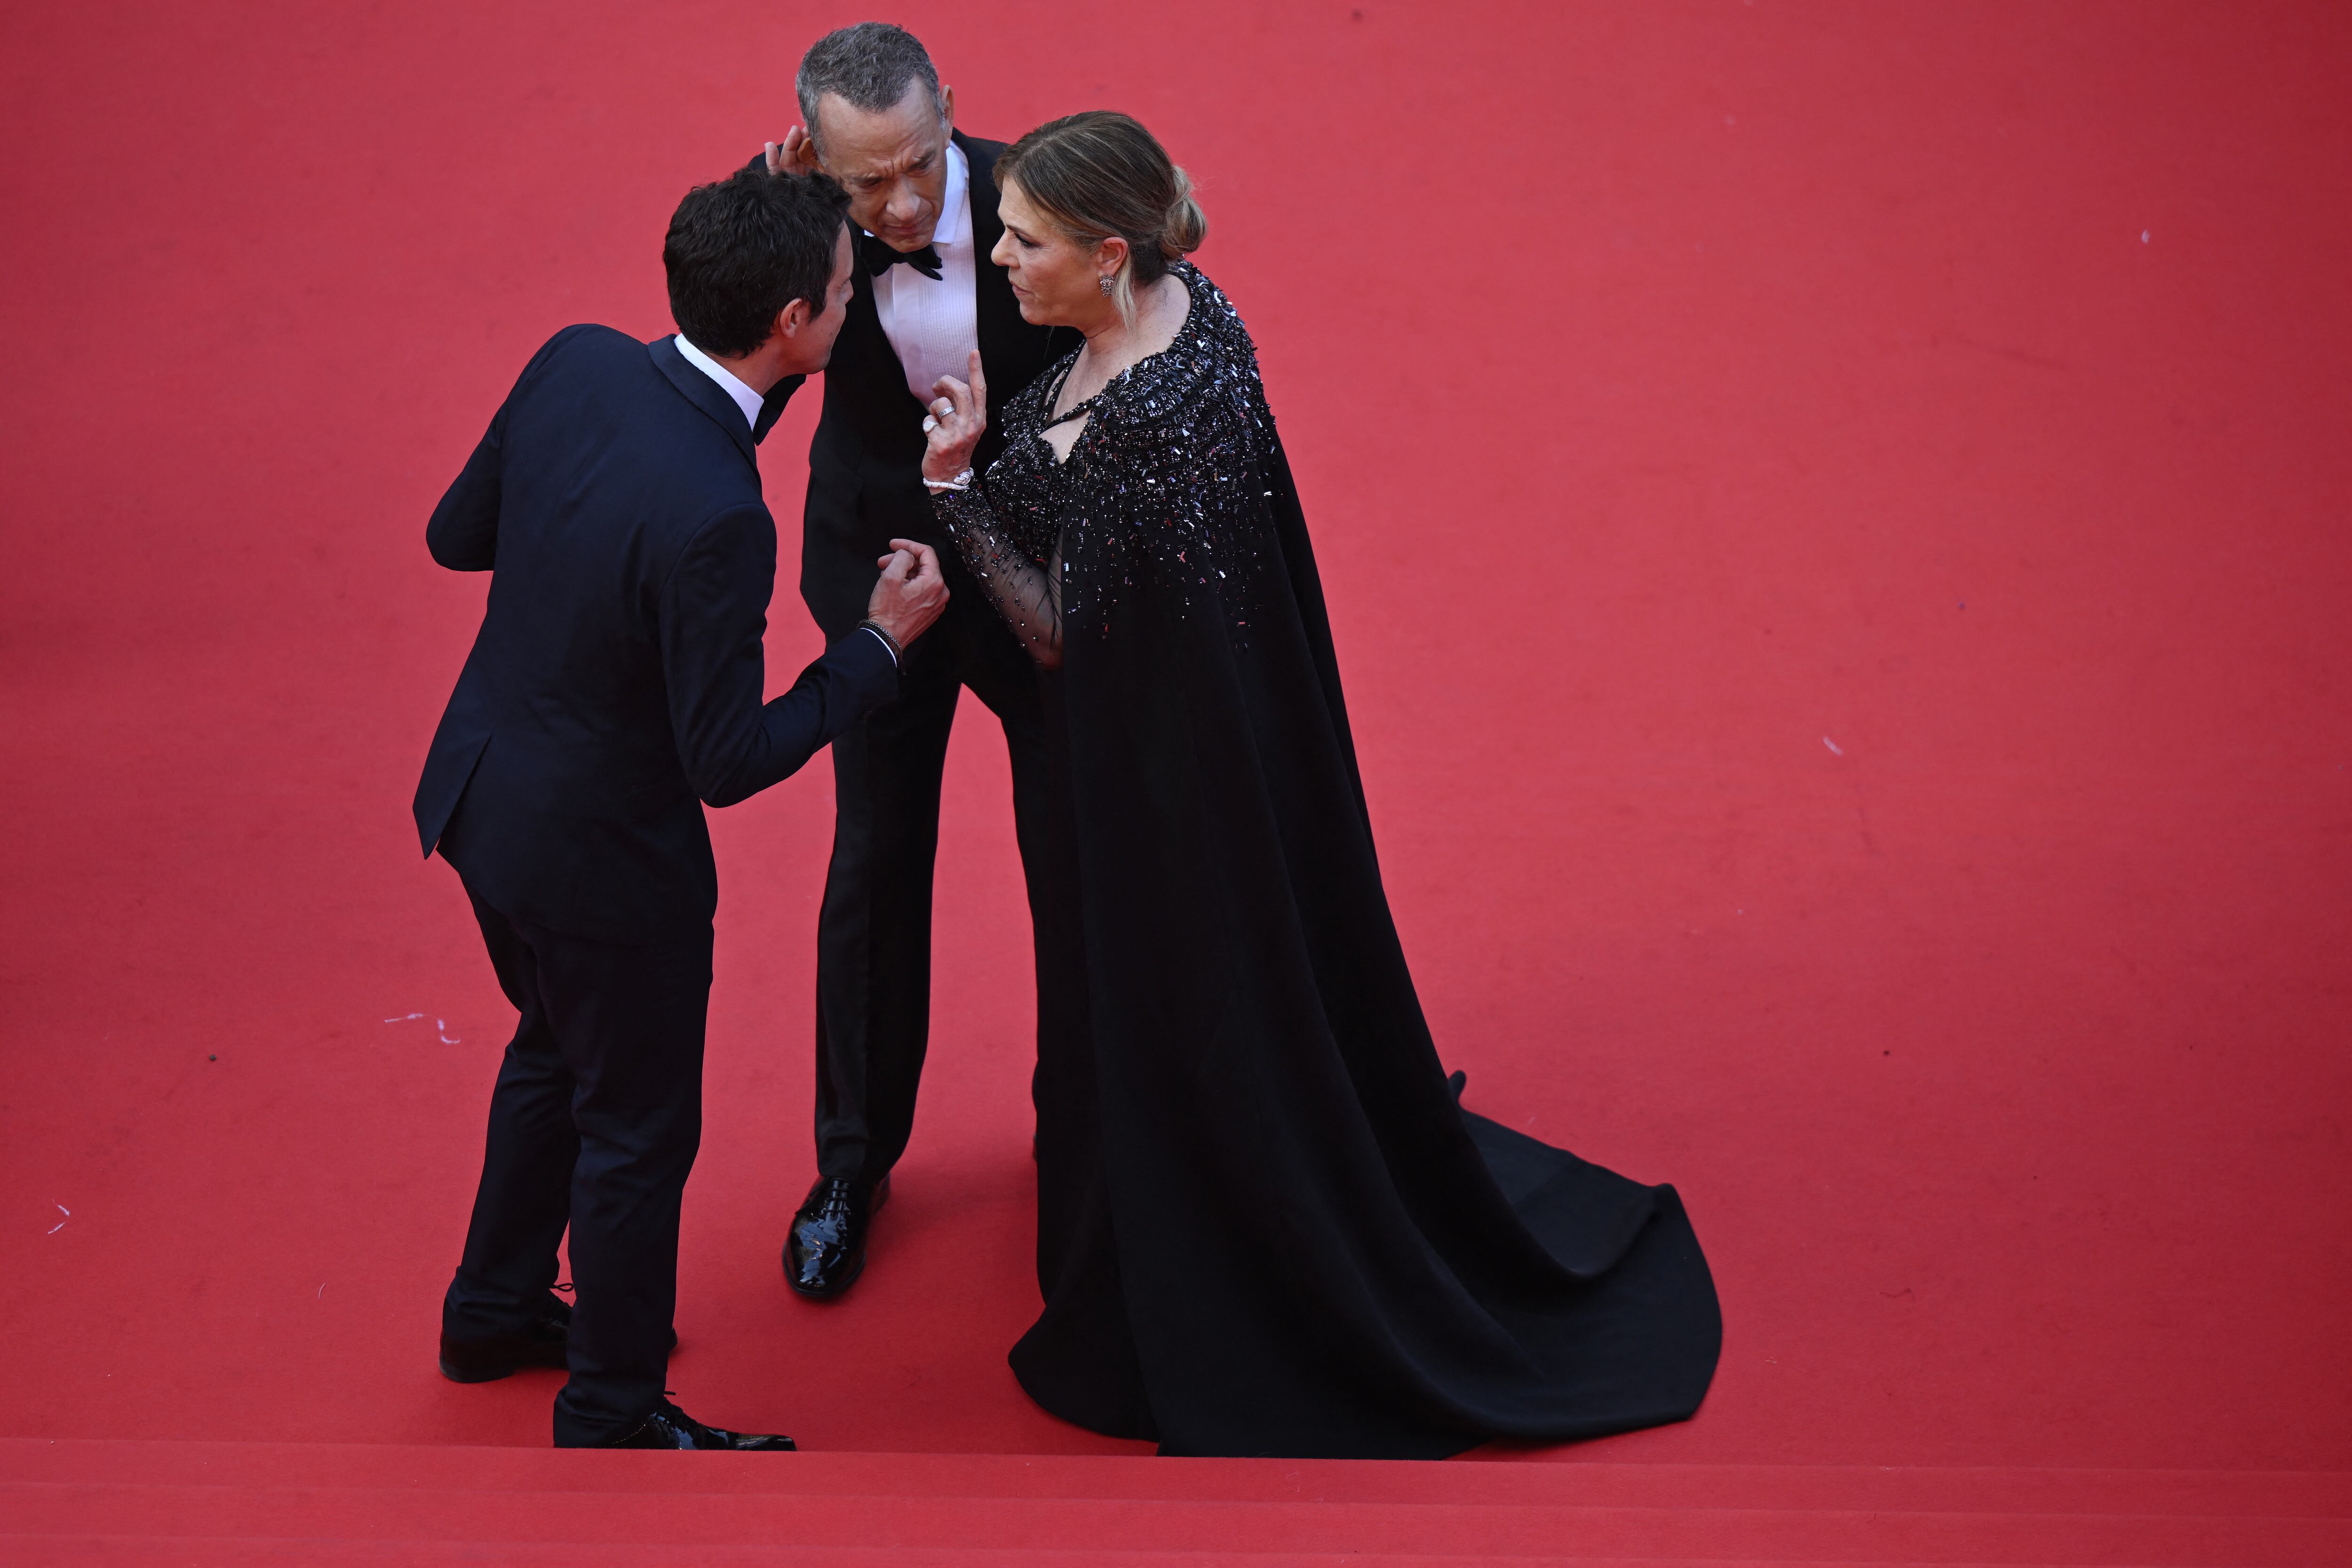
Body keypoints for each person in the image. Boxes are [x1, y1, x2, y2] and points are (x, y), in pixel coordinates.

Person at [916, 111, 1724, 1459]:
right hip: (1243, 771)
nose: (995, 257)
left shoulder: (1130, 443)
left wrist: (956, 489)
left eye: (1024, 239)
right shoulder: (1196, 308)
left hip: (1168, 816)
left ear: (1110, 255)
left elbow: (1054, 635)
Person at [413, 166, 948, 1449]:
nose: (851, 299)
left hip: (480, 799)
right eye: (836, 292)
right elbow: (726, 757)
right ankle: (611, 1401)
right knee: (638, 1127)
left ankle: (491, 1311)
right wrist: (876, 650)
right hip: (605, 867)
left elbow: (455, 536)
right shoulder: (719, 517)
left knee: (550, 1048)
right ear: (786, 327)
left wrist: (586, 553)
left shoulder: (577, 362)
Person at [750, 23, 1078, 1302]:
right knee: (875, 863)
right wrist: (776, 228)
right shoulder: (806, 226)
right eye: (858, 180)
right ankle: (852, 1164)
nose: (891, 203)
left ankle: (1086, 1138)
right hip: (879, 585)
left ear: (953, 111)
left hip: (1031, 575)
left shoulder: (1040, 206)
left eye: (917, 165)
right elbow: (753, 379)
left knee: (1076, 850)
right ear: (815, 158)